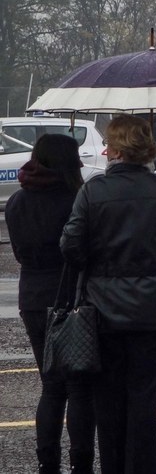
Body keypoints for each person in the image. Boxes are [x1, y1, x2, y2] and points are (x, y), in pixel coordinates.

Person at [61, 115, 156, 474]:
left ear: (117, 150)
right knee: (144, 402)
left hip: (103, 312)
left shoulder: (93, 191)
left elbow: (70, 247)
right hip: (152, 311)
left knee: (107, 402)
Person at [7, 134, 95, 474]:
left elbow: (17, 251)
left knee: (50, 385)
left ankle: (48, 463)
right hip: (71, 296)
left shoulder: (16, 201)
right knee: (79, 386)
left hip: (32, 295)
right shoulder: (76, 199)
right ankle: (81, 463)